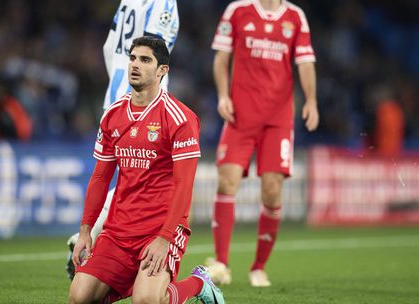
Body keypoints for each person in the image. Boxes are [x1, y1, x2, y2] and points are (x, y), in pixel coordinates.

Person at [69, 36, 224, 304]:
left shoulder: (180, 118)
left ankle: (199, 283)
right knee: (79, 298)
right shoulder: (112, 115)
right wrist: (85, 231)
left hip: (161, 228)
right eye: (132, 58)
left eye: (145, 60)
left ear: (163, 70)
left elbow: (184, 185)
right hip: (118, 231)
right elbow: (100, 177)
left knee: (147, 301)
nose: (135, 65)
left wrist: (165, 238)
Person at [206, 0, 319, 287]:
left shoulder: (295, 16)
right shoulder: (237, 10)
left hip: (278, 120)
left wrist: (312, 100)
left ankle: (259, 267)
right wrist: (222, 96)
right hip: (240, 116)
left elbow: (305, 63)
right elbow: (221, 58)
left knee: (272, 192)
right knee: (226, 180)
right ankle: (221, 263)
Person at [66, 0, 179, 278]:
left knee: (122, 172)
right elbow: (154, 47)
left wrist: (118, 81)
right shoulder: (163, 2)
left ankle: (93, 235)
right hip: (144, 101)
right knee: (142, 174)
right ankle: (101, 235)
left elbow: (109, 48)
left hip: (116, 94)